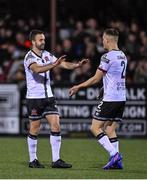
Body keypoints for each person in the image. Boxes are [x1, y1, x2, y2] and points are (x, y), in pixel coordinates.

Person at [24, 29, 88, 168]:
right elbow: (37, 69)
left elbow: (62, 64)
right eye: (40, 40)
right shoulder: (29, 57)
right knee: (35, 128)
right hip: (34, 98)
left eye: (44, 39)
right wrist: (54, 65)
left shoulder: (47, 55)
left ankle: (56, 160)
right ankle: (33, 160)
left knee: (56, 125)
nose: (43, 42)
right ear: (33, 42)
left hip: (49, 97)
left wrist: (76, 65)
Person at [69, 28, 127, 170]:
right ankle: (117, 163)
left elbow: (95, 78)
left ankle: (114, 154)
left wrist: (78, 86)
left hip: (111, 98)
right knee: (110, 129)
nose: (102, 41)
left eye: (103, 39)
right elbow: (113, 76)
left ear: (107, 40)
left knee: (95, 127)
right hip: (121, 97)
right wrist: (104, 87)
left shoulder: (107, 57)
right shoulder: (123, 55)